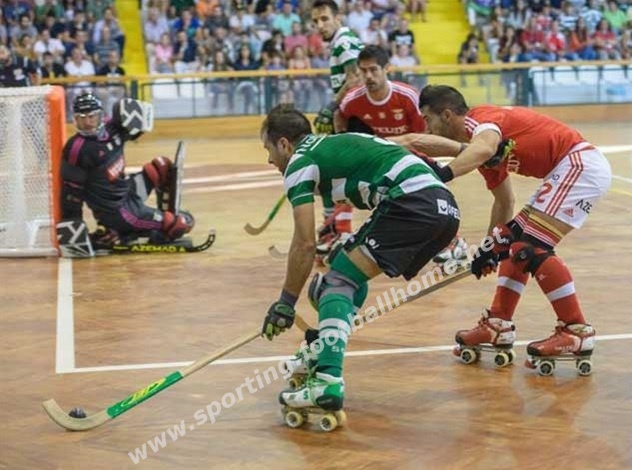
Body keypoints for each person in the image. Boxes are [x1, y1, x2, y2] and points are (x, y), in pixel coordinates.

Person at [260, 104, 460, 414]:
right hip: (445, 207)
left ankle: (327, 381)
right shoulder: (334, 144)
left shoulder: (299, 162)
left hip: (411, 203)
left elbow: (305, 243)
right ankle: (322, 349)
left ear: (284, 144)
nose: (270, 160)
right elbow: (404, 150)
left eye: (268, 149)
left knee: (336, 283)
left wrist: (285, 302)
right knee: (343, 274)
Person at [404, 85, 612, 368]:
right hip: (567, 169)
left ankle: (576, 330)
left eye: (428, 119)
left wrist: (441, 176)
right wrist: (489, 248)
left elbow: (485, 146)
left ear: (448, 115)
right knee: (510, 241)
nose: (426, 127)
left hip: (578, 164)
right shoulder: (480, 152)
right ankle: (498, 324)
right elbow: (504, 201)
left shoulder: (480, 123)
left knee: (530, 248)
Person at [335, 45, 469, 271]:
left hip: (413, 154)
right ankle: (340, 233)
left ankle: (453, 242)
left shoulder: (407, 96)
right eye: (363, 71)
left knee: (426, 198)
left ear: (386, 69)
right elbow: (340, 116)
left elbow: (424, 134)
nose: (368, 76)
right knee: (346, 179)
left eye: (373, 70)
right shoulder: (352, 100)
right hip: (380, 159)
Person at [60, 93, 195, 249]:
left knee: (161, 166)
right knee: (180, 224)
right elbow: (71, 193)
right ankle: (134, 231)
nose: (88, 123)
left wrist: (133, 114)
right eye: (81, 118)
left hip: (127, 191)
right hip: (117, 212)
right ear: (75, 120)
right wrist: (74, 232)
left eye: (92, 116)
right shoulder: (77, 149)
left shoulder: (112, 127)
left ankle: (143, 224)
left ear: (101, 115)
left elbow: (137, 131)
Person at [310, 0, 364, 261]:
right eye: (315, 21)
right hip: (348, 115)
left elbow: (356, 78)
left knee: (334, 174)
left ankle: (337, 231)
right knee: (333, 174)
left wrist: (332, 106)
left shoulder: (344, 41)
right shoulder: (339, 42)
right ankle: (336, 230)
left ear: (337, 17)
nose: (320, 25)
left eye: (324, 19)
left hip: (356, 117)